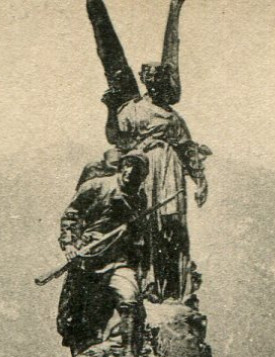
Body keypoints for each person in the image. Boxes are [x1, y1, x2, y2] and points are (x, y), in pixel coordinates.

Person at [86, 0, 210, 301]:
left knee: (173, 226)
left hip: (170, 172)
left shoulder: (171, 117)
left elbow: (186, 147)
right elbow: (116, 138)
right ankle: (150, 281)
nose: (156, 87)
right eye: (152, 82)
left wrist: (200, 179)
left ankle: (175, 285)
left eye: (160, 83)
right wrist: (109, 109)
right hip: (144, 170)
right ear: (146, 82)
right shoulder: (132, 110)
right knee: (146, 224)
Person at [55, 153, 148, 357]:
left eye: (137, 171)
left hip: (119, 262)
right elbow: (71, 215)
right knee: (80, 316)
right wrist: (69, 243)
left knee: (129, 299)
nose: (130, 172)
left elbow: (142, 236)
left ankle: (130, 354)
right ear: (122, 167)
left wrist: (142, 264)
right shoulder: (96, 186)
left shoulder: (139, 199)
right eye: (128, 166)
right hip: (89, 260)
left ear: (142, 177)